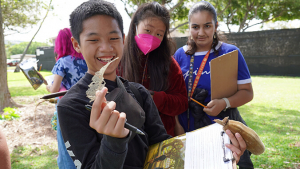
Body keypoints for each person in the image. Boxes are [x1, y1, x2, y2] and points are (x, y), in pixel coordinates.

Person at [57, 0, 247, 168]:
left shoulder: (139, 93)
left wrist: (218, 153)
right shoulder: (70, 106)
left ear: (123, 40)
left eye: (113, 38)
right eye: (93, 39)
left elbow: (164, 149)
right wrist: (114, 141)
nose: (106, 47)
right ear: (76, 44)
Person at [174, 1, 254, 168]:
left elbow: (247, 92)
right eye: (195, 27)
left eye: (207, 26)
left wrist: (224, 103)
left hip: (222, 136)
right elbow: (174, 94)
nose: (201, 32)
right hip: (187, 131)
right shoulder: (180, 54)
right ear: (189, 27)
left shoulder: (230, 52)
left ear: (216, 26)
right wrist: (177, 126)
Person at [120, 2, 188, 137]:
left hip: (161, 138)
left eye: (159, 34)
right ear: (135, 27)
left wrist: (157, 98)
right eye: (148, 30)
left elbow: (182, 102)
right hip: (128, 138)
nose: (152, 38)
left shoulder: (169, 63)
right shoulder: (119, 60)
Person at [46, 28, 88, 169]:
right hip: (89, 107)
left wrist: (48, 87)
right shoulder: (88, 59)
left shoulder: (62, 62)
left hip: (67, 109)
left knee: (67, 148)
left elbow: (54, 90)